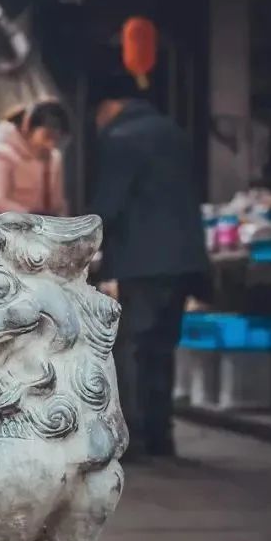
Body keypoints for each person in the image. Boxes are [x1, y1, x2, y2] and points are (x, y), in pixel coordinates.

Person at [89, 74, 209, 460]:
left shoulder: (120, 138)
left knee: (135, 347)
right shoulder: (173, 131)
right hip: (185, 256)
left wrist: (87, 247)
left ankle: (136, 437)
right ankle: (162, 435)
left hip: (143, 260)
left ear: (108, 107)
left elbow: (110, 203)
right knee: (162, 346)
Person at [0, 99, 70, 216]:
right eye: (47, 136)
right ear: (28, 127)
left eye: (57, 139)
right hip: (9, 228)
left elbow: (58, 204)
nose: (50, 144)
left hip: (45, 228)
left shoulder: (54, 157)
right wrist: (30, 218)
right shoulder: (0, 153)